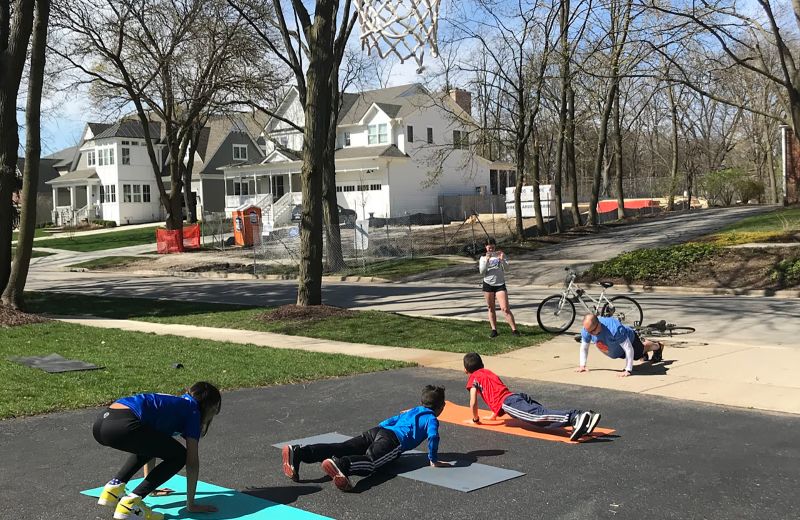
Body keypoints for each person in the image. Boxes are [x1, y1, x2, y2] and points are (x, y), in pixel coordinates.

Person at [92, 382, 222, 520]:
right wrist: (191, 504)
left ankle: (113, 489)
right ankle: (130, 504)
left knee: (153, 443)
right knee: (179, 456)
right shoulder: (193, 411)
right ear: (211, 407)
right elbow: (192, 462)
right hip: (123, 425)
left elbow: (151, 447)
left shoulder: (173, 403)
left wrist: (151, 488)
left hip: (102, 422)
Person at [281, 385, 449, 491]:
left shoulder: (413, 410)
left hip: (377, 431)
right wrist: (433, 459)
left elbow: (391, 420)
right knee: (372, 462)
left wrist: (381, 430)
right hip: (393, 441)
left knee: (342, 447)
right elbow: (433, 436)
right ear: (441, 407)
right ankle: (342, 464)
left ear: (422, 401)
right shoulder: (431, 418)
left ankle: (299, 452)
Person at [463, 352, 600, 441]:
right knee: (541, 412)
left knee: (536, 416)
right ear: (482, 364)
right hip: (514, 396)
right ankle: (586, 419)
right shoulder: (487, 372)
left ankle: (575, 417)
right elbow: (496, 391)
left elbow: (473, 401)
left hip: (509, 402)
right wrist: (494, 415)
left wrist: (475, 419)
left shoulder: (473, 377)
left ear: (466, 370)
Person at [577, 314, 665, 377]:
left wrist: (627, 370)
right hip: (617, 349)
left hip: (630, 340)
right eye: (588, 331)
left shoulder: (614, 328)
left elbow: (628, 348)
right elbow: (584, 347)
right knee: (636, 355)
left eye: (592, 331)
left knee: (638, 353)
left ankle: (657, 346)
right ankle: (643, 352)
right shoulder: (587, 329)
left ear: (599, 324)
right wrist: (582, 365)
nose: (590, 334)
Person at [479, 237, 519, 338]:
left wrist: (502, 260)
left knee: (505, 308)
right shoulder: (483, 258)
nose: (491, 249)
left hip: (500, 284)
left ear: (495, 246)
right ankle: (494, 330)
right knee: (490, 307)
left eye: (492, 246)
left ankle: (514, 330)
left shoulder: (500, 255)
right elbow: (482, 272)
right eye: (489, 247)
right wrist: (487, 261)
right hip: (488, 285)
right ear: (485, 247)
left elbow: (507, 269)